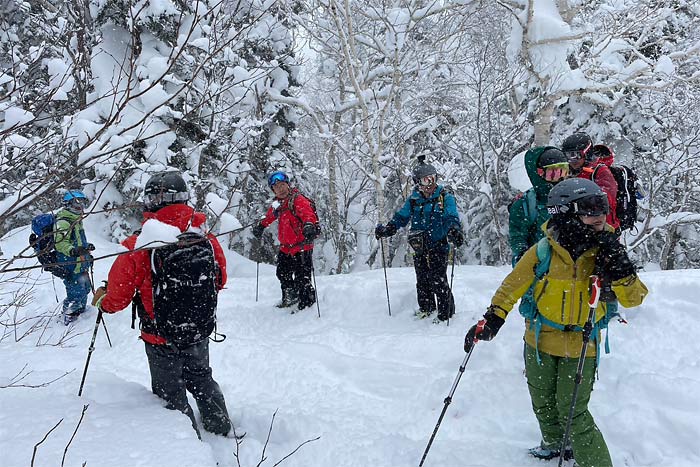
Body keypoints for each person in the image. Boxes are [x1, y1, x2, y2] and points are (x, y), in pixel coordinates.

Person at [463, 178, 648, 467]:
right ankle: (554, 445)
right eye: (590, 208)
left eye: (602, 206)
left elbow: (634, 299)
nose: (600, 215)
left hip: (582, 345)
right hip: (539, 341)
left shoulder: (608, 250)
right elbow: (513, 285)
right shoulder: (544, 251)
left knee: (574, 412)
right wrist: (493, 318)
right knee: (543, 403)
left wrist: (622, 269)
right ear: (566, 213)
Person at [91, 171, 232, 438]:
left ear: (152, 200)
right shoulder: (205, 238)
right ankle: (220, 426)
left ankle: (185, 446)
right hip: (198, 330)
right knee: (201, 378)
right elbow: (220, 279)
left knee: (170, 392)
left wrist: (102, 301)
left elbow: (117, 299)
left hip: (158, 335)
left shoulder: (140, 244)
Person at [375, 158, 463, 322]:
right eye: (425, 180)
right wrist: (389, 229)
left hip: (439, 245)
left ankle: (446, 313)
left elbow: (451, 215)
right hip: (420, 245)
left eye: (433, 178)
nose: (430, 183)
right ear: (418, 183)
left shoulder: (444, 197)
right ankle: (427, 308)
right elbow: (402, 217)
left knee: (438, 279)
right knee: (422, 280)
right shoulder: (414, 200)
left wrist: (454, 229)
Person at [252, 171, 320, 311]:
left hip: (302, 246)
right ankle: (290, 296)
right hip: (286, 248)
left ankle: (306, 303)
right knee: (282, 273)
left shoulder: (298, 199)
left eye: (282, 185)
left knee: (302, 277)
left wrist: (309, 225)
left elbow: (308, 215)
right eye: (276, 187)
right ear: (273, 190)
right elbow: (270, 217)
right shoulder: (278, 204)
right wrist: (261, 226)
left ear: (288, 185)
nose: (280, 189)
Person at [509, 146, 569, 266]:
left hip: (568, 267)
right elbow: (518, 235)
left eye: (564, 171)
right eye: (554, 173)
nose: (561, 178)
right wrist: (525, 258)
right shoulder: (527, 203)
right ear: (539, 173)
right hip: (539, 265)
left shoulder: (572, 195)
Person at [562, 133, 620, 230]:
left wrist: (579, 203)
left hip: (604, 227)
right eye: (567, 156)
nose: (572, 160)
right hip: (580, 228)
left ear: (587, 153)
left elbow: (606, 200)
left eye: (576, 155)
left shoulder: (600, 172)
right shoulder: (567, 173)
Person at [54, 190, 95, 325]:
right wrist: (72, 251)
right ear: (67, 205)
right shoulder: (63, 222)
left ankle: (80, 313)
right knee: (75, 292)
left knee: (85, 288)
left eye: (82, 204)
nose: (80, 207)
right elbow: (60, 243)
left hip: (81, 263)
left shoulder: (76, 221)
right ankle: (69, 318)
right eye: (76, 204)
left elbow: (78, 241)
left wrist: (86, 247)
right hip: (70, 264)